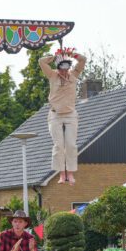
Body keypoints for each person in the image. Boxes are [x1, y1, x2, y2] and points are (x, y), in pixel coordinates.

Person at [39, 47, 86, 185]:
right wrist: (55, 57)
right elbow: (41, 61)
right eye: (61, 69)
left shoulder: (74, 75)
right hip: (55, 115)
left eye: (66, 69)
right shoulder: (52, 75)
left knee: (71, 144)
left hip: (70, 114)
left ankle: (70, 173)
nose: (64, 72)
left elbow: (83, 60)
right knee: (58, 145)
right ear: (58, 68)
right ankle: (61, 173)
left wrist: (71, 54)